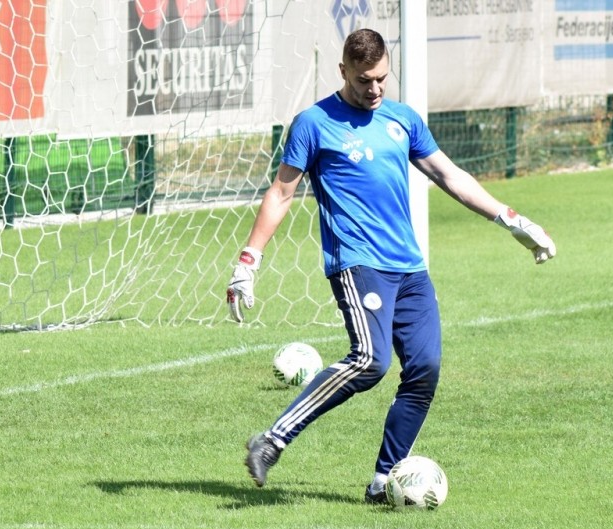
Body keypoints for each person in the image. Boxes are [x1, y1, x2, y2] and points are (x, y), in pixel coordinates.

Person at [226, 28, 556, 504]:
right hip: (357, 263)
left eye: (382, 78)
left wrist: (511, 219)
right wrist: (248, 260)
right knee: (370, 360)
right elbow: (281, 192)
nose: (375, 88)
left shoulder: (403, 119)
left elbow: (449, 174)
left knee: (425, 369)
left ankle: (383, 483)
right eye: (364, 80)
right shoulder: (314, 123)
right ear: (343, 72)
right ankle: (272, 440)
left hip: (410, 268)